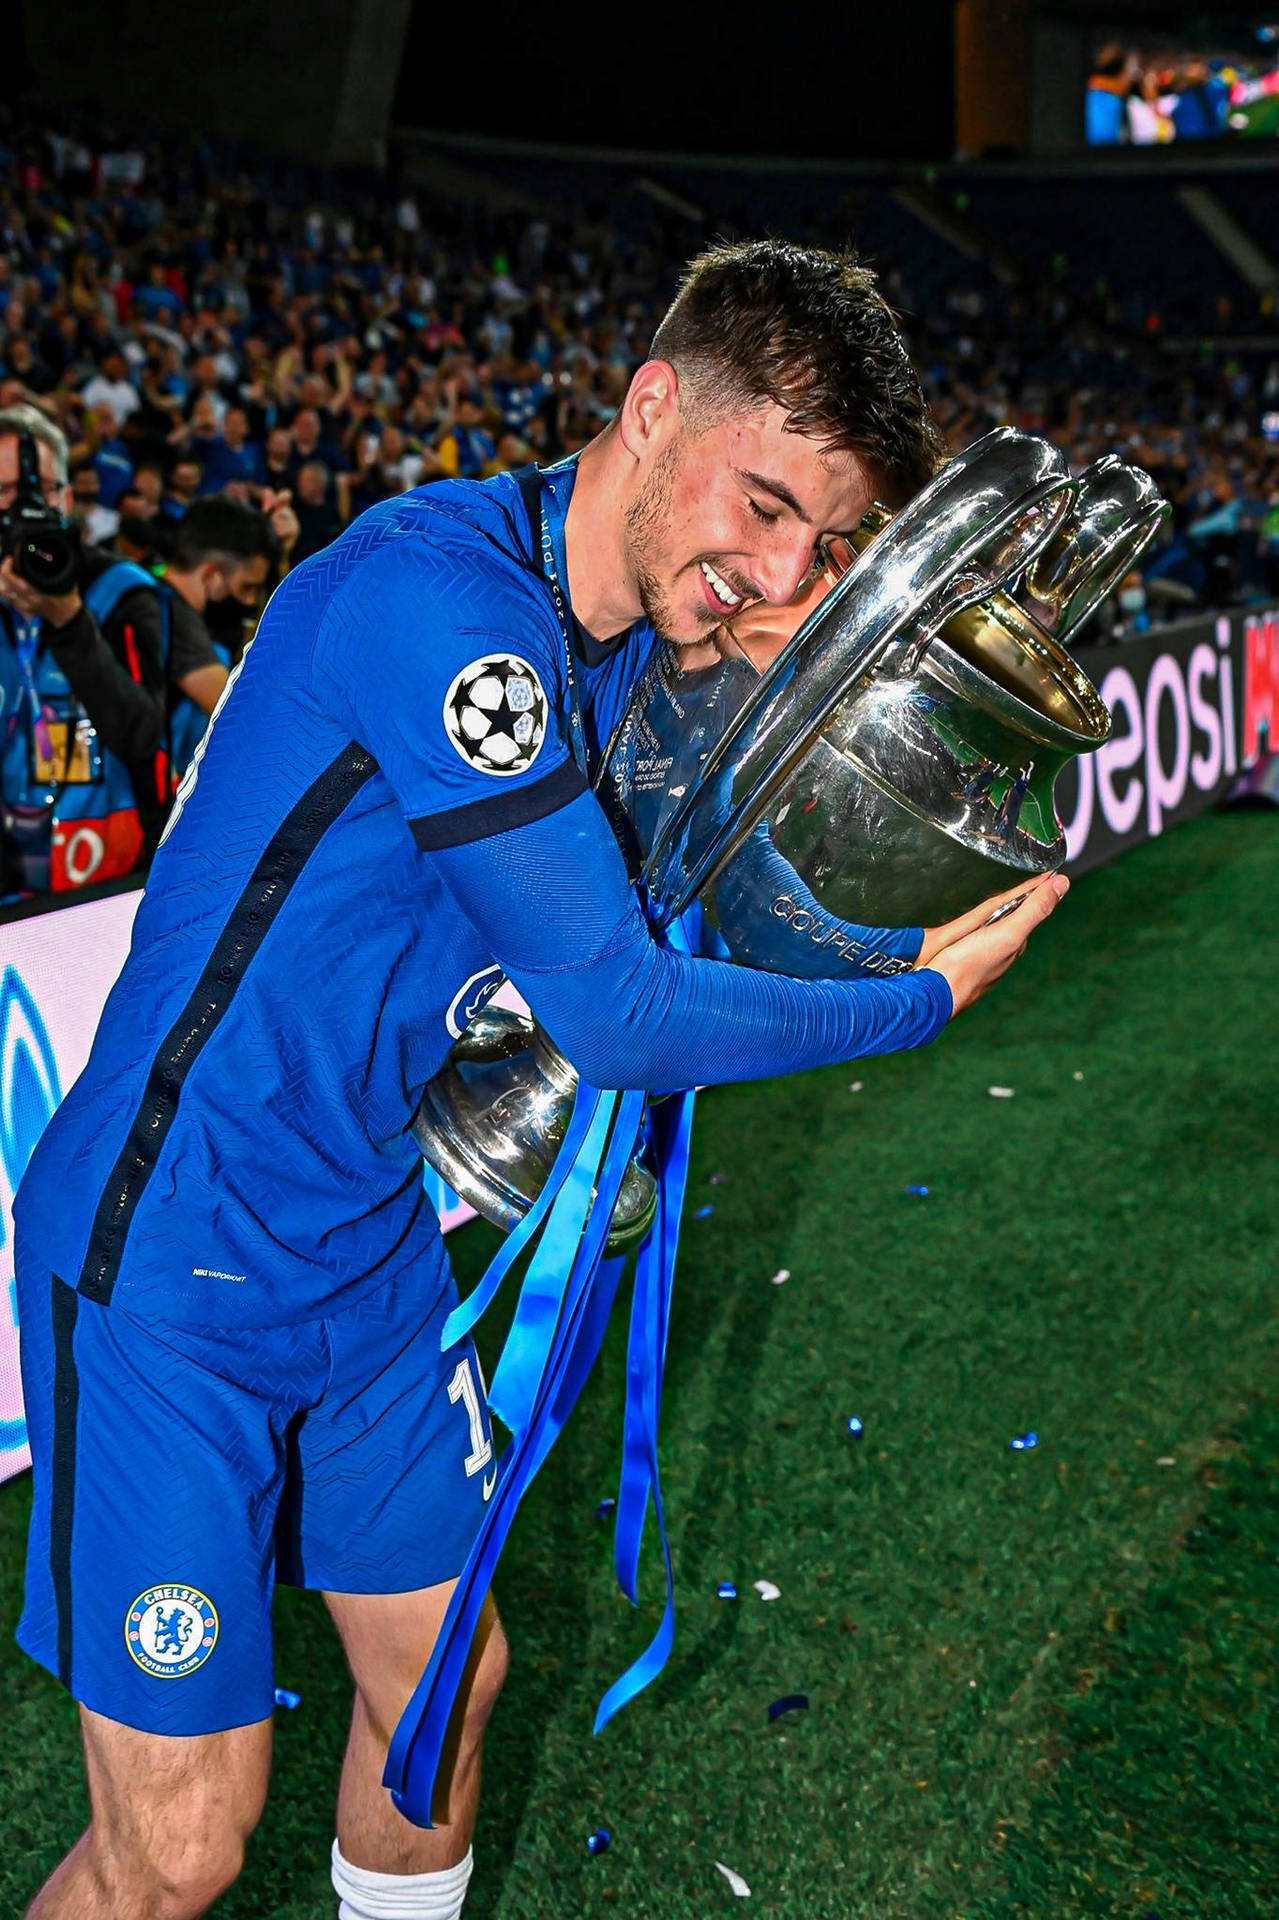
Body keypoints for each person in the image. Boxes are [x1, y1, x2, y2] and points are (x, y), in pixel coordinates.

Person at [13, 241, 1069, 1919]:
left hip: (354, 1247)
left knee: (441, 1699)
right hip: (167, 1254)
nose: (780, 571)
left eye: (822, 538)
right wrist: (913, 1009)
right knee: (178, 1851)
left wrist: (880, 952)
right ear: (652, 409)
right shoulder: (439, 610)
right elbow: (622, 1007)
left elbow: (702, 890)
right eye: (762, 503)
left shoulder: (628, 646)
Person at [0, 404, 170, 892]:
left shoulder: (122, 590)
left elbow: (143, 738)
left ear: (67, 496)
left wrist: (70, 620)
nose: (23, 508)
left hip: (108, 884)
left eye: (38, 489)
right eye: (6, 491)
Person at [157, 495, 280, 776]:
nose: (250, 601)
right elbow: (240, 718)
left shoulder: (161, 603)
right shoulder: (173, 618)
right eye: (246, 587)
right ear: (211, 573)